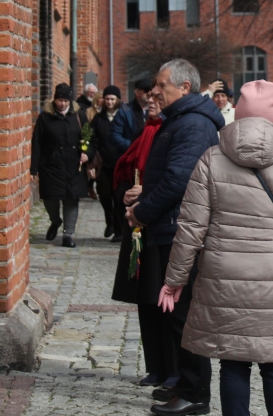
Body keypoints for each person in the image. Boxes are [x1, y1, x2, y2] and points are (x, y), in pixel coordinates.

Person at [158, 80, 273, 416]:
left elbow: (190, 229)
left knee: (233, 366)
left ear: (237, 114)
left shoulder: (210, 161)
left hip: (224, 281)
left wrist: (174, 280)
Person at [124, 59, 224, 416]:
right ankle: (183, 382)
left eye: (163, 85)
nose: (156, 92)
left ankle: (196, 393)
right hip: (170, 227)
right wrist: (143, 194)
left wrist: (142, 211)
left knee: (184, 315)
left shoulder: (193, 124)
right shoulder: (180, 120)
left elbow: (180, 180)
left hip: (180, 230)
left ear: (184, 87)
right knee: (173, 313)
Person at [111, 87, 177, 390]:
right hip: (137, 223)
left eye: (156, 99)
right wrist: (127, 189)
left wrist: (146, 193)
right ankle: (155, 366)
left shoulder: (169, 133)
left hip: (160, 223)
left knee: (162, 298)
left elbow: (173, 179)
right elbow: (126, 168)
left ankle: (172, 368)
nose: (150, 103)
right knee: (144, 297)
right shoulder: (144, 133)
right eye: (148, 99)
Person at [31, 83, 96, 248]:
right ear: (55, 100)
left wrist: (87, 153)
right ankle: (55, 220)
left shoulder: (79, 115)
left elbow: (90, 137)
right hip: (51, 165)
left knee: (71, 199)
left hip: (74, 165)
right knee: (49, 198)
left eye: (66, 101)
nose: (63, 104)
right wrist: (34, 168)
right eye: (60, 100)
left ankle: (68, 233)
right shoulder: (45, 117)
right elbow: (37, 143)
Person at [91, 86, 124, 240]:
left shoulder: (123, 116)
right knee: (104, 195)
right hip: (103, 164)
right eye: (107, 99)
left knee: (118, 197)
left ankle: (118, 230)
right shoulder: (98, 119)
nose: (109, 102)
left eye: (112, 99)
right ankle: (109, 221)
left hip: (120, 163)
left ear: (117, 100)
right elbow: (92, 140)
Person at [111, 78, 151, 153]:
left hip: (150, 156)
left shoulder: (156, 110)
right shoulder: (125, 110)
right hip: (131, 155)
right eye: (146, 90)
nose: (149, 93)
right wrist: (133, 146)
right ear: (137, 92)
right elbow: (115, 135)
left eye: (151, 90)